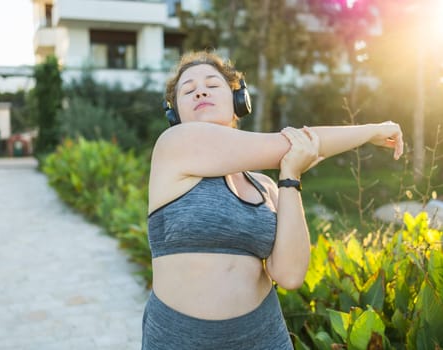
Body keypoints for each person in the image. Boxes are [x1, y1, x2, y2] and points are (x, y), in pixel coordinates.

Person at [141, 51, 403, 349]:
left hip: (263, 336)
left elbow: (289, 275)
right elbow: (293, 144)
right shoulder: (174, 146)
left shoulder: (266, 187)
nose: (200, 90)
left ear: (239, 101)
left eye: (212, 84)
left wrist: (290, 177)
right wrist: (372, 131)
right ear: (174, 114)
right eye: (188, 90)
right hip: (180, 338)